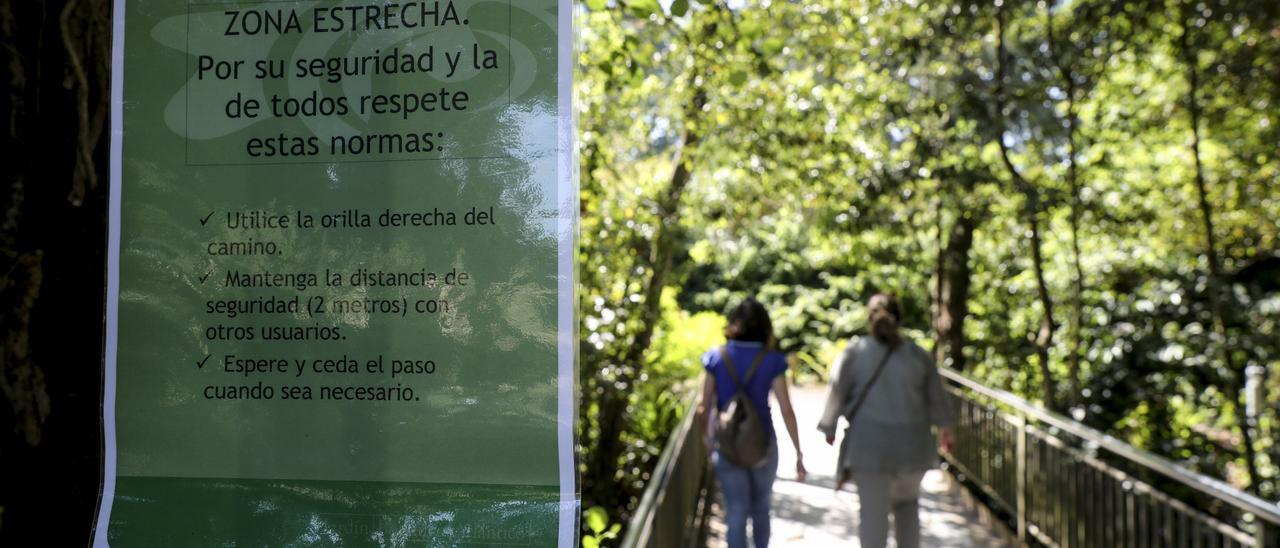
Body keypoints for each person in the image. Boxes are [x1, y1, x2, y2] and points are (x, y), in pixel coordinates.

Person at [817, 293, 956, 548]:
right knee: (907, 509)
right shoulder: (918, 356)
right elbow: (937, 399)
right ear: (900, 320)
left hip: (869, 451)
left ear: (869, 319)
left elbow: (837, 392)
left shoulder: (855, 352)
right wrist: (946, 429)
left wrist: (830, 426)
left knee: (873, 519)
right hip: (913, 451)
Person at [698, 297, 806, 548]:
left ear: (734, 324)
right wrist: (798, 453)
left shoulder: (715, 357)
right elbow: (786, 410)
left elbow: (703, 408)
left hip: (726, 445)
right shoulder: (773, 360)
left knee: (735, 513)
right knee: (761, 509)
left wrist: (707, 440)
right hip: (763, 444)